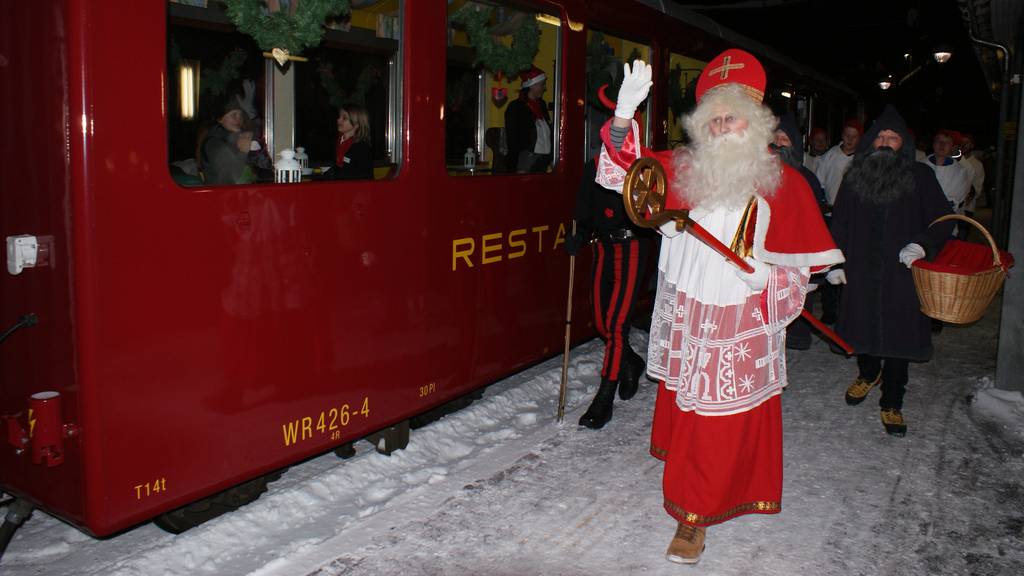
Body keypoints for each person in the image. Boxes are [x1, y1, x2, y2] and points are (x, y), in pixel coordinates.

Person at [596, 50, 843, 564]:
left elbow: (801, 272)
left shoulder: (784, 183)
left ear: (754, 124)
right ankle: (690, 491)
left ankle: (693, 519)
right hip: (690, 308)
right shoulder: (682, 169)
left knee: (717, 419)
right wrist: (622, 119)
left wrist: (765, 274)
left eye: (732, 117)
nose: (723, 126)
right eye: (714, 118)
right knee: (689, 408)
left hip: (739, 314)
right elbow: (624, 174)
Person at [826, 105, 953, 438]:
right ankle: (868, 373)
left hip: (902, 275)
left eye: (892, 137)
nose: (884, 142)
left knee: (899, 340)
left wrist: (922, 244)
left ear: (903, 144)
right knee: (861, 330)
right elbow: (839, 223)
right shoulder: (855, 175)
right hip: (861, 271)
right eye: (880, 136)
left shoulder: (921, 176)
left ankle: (892, 400)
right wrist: (833, 262)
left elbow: (943, 219)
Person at [564, 159, 651, 429]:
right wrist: (578, 234)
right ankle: (631, 362)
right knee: (602, 323)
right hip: (604, 248)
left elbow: (652, 211)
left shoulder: (641, 168)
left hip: (633, 247)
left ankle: (604, 399)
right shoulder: (593, 167)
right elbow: (585, 208)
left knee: (616, 327)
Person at [772, 112, 828, 350]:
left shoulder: (807, 180)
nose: (776, 143)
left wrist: (817, 272)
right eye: (773, 137)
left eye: (784, 139)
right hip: (764, 254)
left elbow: (816, 226)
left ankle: (794, 337)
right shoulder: (752, 176)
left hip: (795, 253)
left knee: (794, 304)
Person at [504, 66, 552, 173]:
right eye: (542, 84)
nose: (544, 87)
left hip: (543, 158)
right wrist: (519, 161)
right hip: (526, 158)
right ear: (532, 85)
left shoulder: (542, 105)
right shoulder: (516, 107)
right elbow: (512, 137)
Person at [923, 129, 971, 235]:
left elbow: (954, 200)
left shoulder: (960, 172)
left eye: (947, 142)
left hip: (945, 225)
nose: (942, 144)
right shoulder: (920, 166)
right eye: (938, 141)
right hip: (919, 224)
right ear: (933, 144)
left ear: (953, 147)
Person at [201, 99, 253, 185]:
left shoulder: (236, 137)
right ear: (220, 119)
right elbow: (228, 179)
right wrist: (243, 151)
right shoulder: (214, 143)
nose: (238, 119)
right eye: (233, 115)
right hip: (220, 195)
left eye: (240, 115)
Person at [814, 118, 862, 207]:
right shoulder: (830, 155)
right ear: (842, 135)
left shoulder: (861, 159)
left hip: (852, 209)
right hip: (830, 207)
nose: (850, 139)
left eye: (854, 136)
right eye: (847, 135)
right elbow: (819, 182)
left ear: (859, 138)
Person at [333, 104, 373, 180]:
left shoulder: (362, 148)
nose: (338, 120)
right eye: (339, 116)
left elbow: (363, 176)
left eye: (344, 118)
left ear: (356, 124)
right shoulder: (339, 142)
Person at [957, 132, 985, 219]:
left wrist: (972, 193)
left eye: (967, 143)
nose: (964, 145)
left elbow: (978, 186)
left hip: (967, 208)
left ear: (972, 145)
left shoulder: (977, 165)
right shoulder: (953, 160)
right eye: (961, 143)